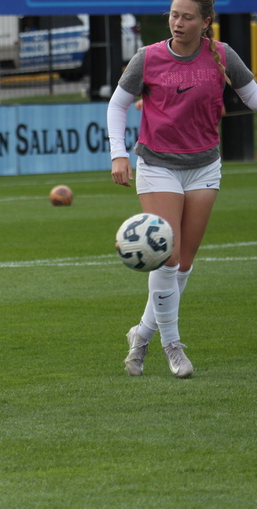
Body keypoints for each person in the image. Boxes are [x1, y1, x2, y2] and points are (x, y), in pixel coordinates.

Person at [107, 0, 257, 378]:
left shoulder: (222, 55)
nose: (177, 22)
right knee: (167, 258)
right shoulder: (148, 57)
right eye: (174, 15)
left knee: (184, 264)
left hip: (204, 166)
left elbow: (252, 95)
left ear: (206, 22)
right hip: (157, 165)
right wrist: (118, 155)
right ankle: (172, 346)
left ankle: (139, 336)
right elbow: (117, 104)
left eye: (187, 17)